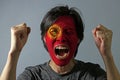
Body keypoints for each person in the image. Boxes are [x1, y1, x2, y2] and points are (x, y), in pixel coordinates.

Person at [0, 5, 120, 80]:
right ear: (45, 39)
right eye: (54, 32)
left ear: (78, 38)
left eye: (68, 31)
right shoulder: (33, 75)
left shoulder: (92, 73)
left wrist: (107, 55)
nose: (61, 38)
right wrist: (14, 52)